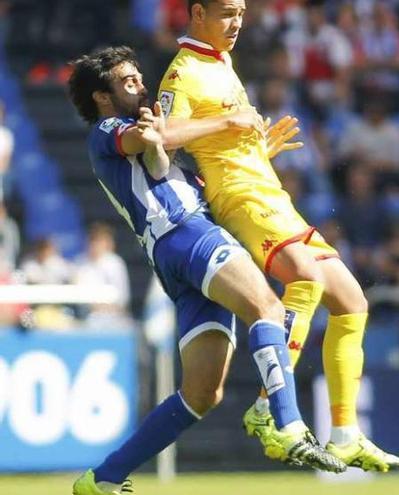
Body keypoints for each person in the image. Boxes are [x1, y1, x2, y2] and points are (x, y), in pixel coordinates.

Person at [67, 46, 346, 495]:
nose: (141, 84)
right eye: (128, 81)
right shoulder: (107, 129)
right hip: (186, 234)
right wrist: (228, 122)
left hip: (175, 258)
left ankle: (102, 478)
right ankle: (288, 425)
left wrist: (256, 158)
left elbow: (185, 170)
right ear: (103, 97)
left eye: (139, 77)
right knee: (269, 308)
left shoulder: (149, 133)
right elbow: (154, 140)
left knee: (202, 394)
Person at [156, 0, 399, 471]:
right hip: (242, 201)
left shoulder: (221, 62)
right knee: (304, 277)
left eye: (242, 13)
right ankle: (271, 405)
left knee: (351, 302)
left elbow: (222, 145)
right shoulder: (183, 71)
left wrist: (256, 151)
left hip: (270, 191)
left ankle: (345, 433)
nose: (237, 23)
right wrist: (230, 123)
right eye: (226, 12)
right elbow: (163, 136)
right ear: (197, 12)